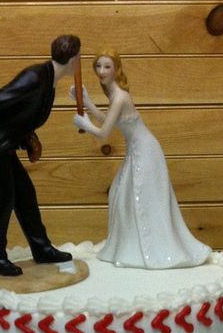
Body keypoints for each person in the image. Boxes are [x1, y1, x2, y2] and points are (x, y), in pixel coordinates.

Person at [72, 48, 210, 269]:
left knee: (141, 198)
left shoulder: (120, 96)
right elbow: (112, 121)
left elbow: (104, 132)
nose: (101, 71)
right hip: (137, 150)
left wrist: (85, 124)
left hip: (145, 151)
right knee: (119, 191)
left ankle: (155, 250)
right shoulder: (114, 94)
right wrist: (88, 103)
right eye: (98, 66)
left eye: (107, 66)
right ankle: (128, 247)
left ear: (117, 69)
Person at [0, 35, 81, 277]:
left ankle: (42, 248)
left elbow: (19, 114)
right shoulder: (35, 76)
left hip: (5, 146)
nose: (80, 61)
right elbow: (0, 98)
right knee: (2, 200)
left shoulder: (49, 80)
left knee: (25, 194)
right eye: (79, 57)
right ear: (72, 59)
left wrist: (28, 138)